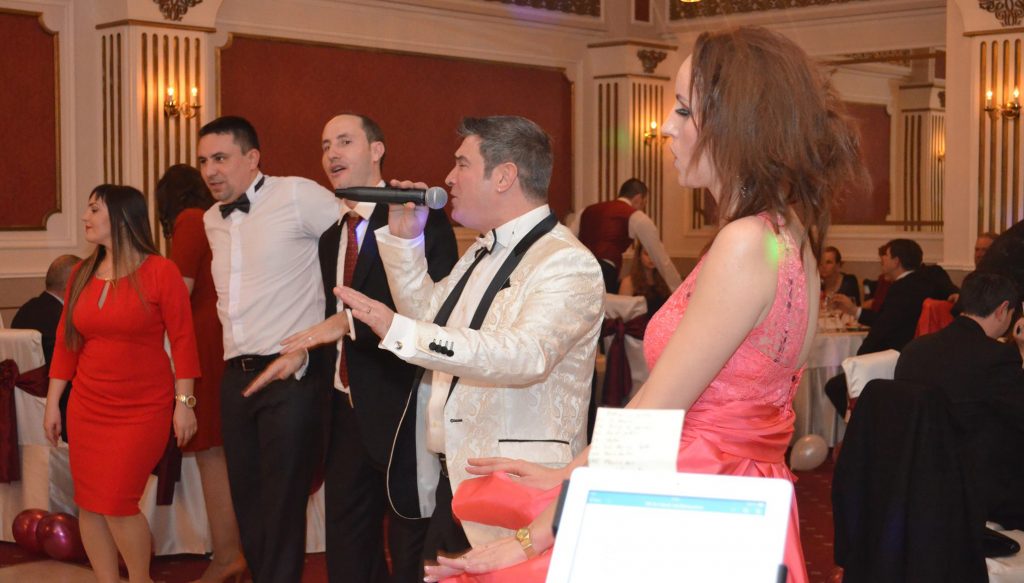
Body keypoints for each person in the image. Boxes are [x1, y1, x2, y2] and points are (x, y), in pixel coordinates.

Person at [423, 27, 866, 583]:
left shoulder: (746, 242)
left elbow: (657, 410)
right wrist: (565, 473)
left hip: (696, 500)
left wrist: (533, 536)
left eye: (683, 110)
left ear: (737, 122)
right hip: (727, 491)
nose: (667, 128)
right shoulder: (789, 234)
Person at [325, 115, 604, 565]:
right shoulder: (481, 249)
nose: (449, 178)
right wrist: (406, 244)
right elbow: (432, 317)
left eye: (462, 164)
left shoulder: (565, 261)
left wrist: (398, 330)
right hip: (458, 476)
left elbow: (526, 356)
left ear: (504, 176)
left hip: (521, 488)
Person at [269, 113, 458, 583]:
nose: (332, 153)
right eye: (325, 145)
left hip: (403, 406)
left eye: (344, 141)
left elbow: (437, 312)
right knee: (348, 545)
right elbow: (332, 317)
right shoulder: (331, 237)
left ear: (376, 150)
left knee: (410, 543)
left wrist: (349, 324)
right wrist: (304, 351)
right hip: (344, 408)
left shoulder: (419, 217)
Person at [198, 116, 346, 582]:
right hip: (236, 374)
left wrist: (331, 326)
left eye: (220, 158)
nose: (210, 170)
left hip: (291, 374)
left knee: (282, 505)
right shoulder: (211, 219)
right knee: (249, 503)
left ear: (252, 158)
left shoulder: (297, 194)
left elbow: (354, 240)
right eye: (203, 161)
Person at [43, 185, 200, 583]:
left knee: (118, 502)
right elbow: (66, 343)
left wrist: (185, 403)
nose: (85, 217)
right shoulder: (81, 274)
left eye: (94, 209)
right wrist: (53, 402)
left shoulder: (160, 271)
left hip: (142, 409)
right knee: (90, 504)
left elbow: (183, 340)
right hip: (86, 407)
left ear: (122, 216)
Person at [155, 164, 246, 583]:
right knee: (218, 451)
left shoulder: (190, 221)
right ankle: (232, 553)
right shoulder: (210, 218)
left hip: (205, 343)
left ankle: (228, 555)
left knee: (211, 452)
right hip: (218, 336)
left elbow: (177, 293)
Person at [894, 271, 1024, 531]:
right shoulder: (997, 358)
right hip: (976, 489)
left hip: (917, 477)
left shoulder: (914, 349)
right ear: (1002, 310)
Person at [826, 238, 957, 415]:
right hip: (921, 358)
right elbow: (886, 320)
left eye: (886, 255)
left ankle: (867, 426)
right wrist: (855, 311)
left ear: (896, 261)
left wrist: (859, 358)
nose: (882, 260)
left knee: (835, 387)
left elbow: (882, 330)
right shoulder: (927, 279)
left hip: (896, 359)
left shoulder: (901, 288)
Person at [12, 254, 79, 443]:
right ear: (72, 286)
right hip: (61, 413)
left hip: (22, 415)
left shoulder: (25, 310)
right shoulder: (64, 321)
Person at [574, 178, 682, 293]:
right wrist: (680, 290)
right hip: (604, 272)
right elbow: (660, 258)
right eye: (644, 203)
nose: (642, 208)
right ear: (638, 198)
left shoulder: (585, 211)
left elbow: (567, 240)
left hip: (577, 270)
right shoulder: (636, 216)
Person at [618, 242, 672, 316]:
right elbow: (623, 313)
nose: (651, 258)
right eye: (647, 254)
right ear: (639, 256)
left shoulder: (665, 280)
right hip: (638, 322)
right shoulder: (628, 282)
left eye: (654, 255)